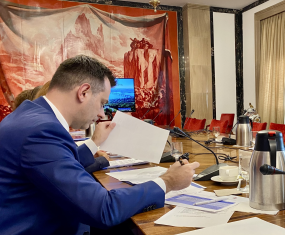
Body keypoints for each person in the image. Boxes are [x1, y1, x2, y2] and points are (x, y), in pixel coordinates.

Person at [0, 55, 200, 234]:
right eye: (102, 103)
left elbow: (59, 163)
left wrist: (94, 143)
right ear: (84, 92)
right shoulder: (41, 131)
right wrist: (168, 181)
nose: (102, 114)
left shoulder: (31, 116)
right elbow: (103, 209)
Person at [33, 80, 110, 174]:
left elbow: (67, 161)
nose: (102, 115)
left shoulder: (42, 124)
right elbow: (65, 173)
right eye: (101, 103)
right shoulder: (45, 130)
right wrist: (101, 161)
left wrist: (92, 148)